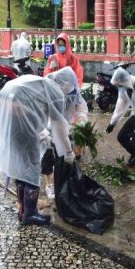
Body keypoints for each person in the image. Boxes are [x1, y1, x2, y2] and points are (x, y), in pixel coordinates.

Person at [0, 75, 74, 225]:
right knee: (32, 168)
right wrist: (68, 151)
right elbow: (58, 124)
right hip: (24, 128)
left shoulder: (40, 84)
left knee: (21, 166)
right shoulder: (56, 92)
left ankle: (23, 209)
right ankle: (30, 213)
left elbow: (31, 111)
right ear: (66, 85)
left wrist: (42, 130)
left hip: (12, 128)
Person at [41, 67, 90, 199]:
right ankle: (49, 185)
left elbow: (81, 106)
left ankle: (64, 181)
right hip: (49, 128)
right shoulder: (50, 92)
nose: (69, 87)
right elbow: (43, 115)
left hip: (66, 127)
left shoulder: (73, 90)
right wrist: (44, 132)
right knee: (47, 156)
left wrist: (81, 120)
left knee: (63, 158)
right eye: (66, 84)